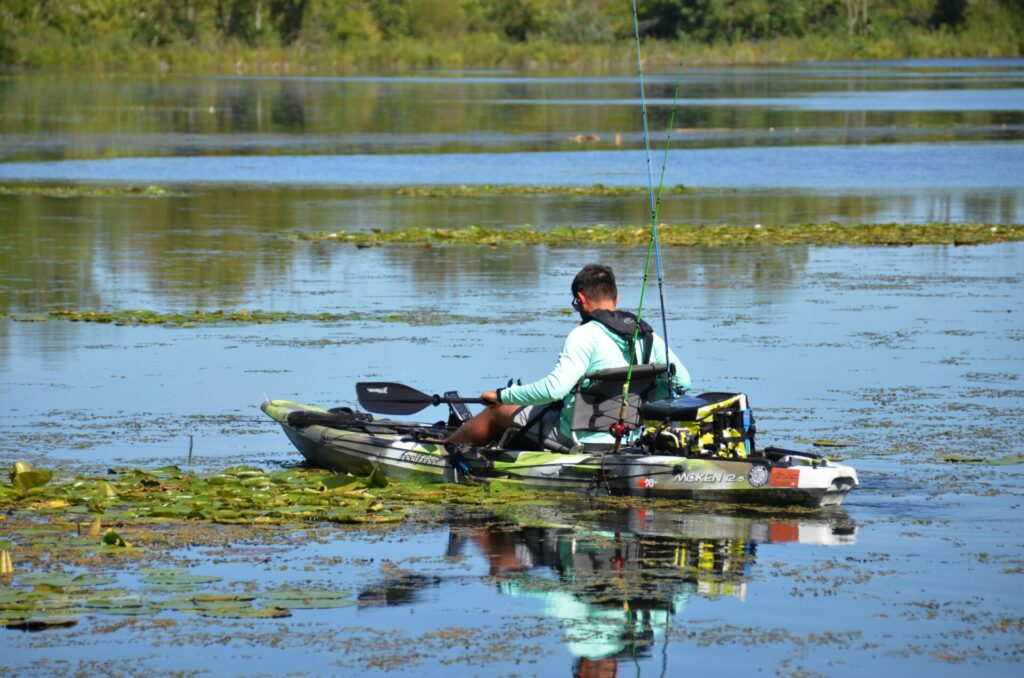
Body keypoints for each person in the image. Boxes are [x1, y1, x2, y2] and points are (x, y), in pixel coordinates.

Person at [445, 264, 690, 450]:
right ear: (616, 297)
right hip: (627, 436)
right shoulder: (647, 336)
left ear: (580, 300)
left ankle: (445, 453)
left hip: (576, 435)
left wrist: (500, 395)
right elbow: (683, 382)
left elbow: (555, 390)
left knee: (497, 412)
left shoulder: (584, 335)